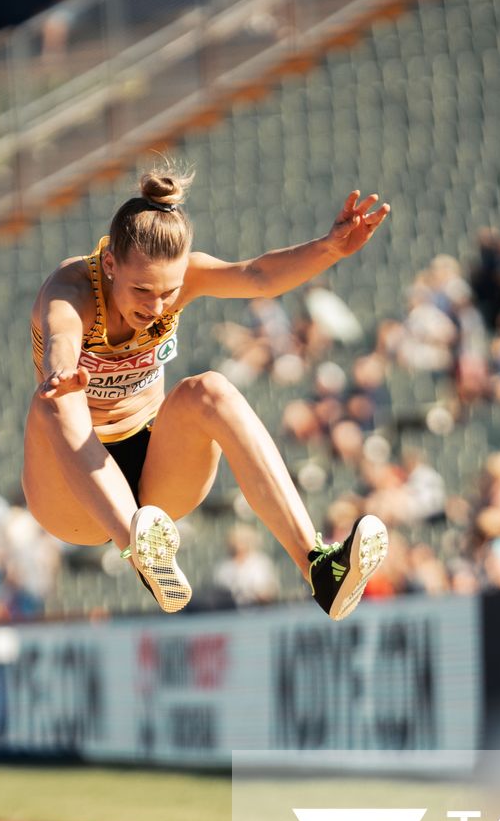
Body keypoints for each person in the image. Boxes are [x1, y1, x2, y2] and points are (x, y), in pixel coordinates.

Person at [26, 164, 393, 620]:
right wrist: (62, 373)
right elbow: (60, 335)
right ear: (109, 264)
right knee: (55, 399)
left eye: (168, 292)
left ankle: (318, 568)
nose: (155, 307)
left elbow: (258, 276)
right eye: (141, 290)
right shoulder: (71, 290)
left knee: (211, 389)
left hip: (157, 473)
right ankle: (137, 547)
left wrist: (330, 248)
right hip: (76, 494)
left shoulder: (180, 283)